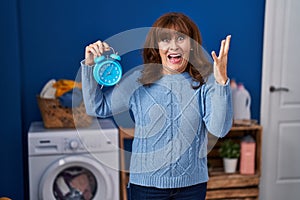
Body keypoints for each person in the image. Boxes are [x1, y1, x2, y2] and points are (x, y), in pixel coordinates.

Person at [80, 12, 233, 200]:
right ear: (157, 46)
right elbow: (97, 107)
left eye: (181, 38)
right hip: (145, 187)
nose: (173, 46)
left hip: (192, 187)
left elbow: (220, 129)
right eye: (165, 39)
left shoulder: (205, 83)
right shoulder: (138, 81)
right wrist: (89, 65)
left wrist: (221, 83)